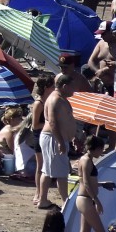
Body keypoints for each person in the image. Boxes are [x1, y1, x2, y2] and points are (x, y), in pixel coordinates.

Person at [38, 72, 77, 210]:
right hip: (53, 138)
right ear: (65, 86)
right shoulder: (55, 99)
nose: (74, 90)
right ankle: (65, 201)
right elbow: (53, 122)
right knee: (58, 172)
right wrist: (60, 141)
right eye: (72, 87)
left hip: (57, 138)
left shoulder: (60, 98)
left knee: (51, 170)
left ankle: (45, 199)